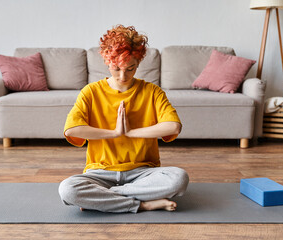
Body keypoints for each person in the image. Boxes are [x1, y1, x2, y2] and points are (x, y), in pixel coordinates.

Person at [58, 25, 189, 213]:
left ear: (138, 63)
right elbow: (71, 130)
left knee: (179, 179)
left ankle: (103, 197)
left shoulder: (152, 92)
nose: (123, 76)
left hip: (142, 172)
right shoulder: (91, 92)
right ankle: (142, 204)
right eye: (116, 68)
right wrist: (115, 133)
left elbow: (173, 127)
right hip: (100, 172)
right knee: (67, 189)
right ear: (106, 60)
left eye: (130, 68)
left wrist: (131, 132)